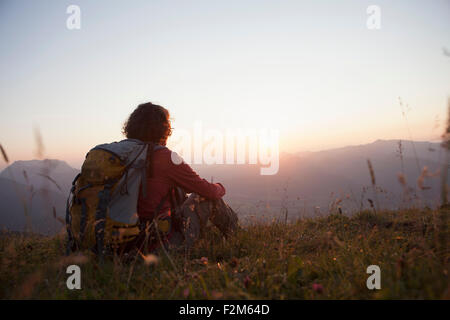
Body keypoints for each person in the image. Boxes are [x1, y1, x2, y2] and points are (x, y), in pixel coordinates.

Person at [121, 102, 238, 253]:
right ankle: (237, 240)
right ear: (163, 129)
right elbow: (207, 190)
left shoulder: (121, 155)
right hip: (160, 245)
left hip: (124, 244)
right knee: (206, 198)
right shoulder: (166, 157)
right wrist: (220, 187)